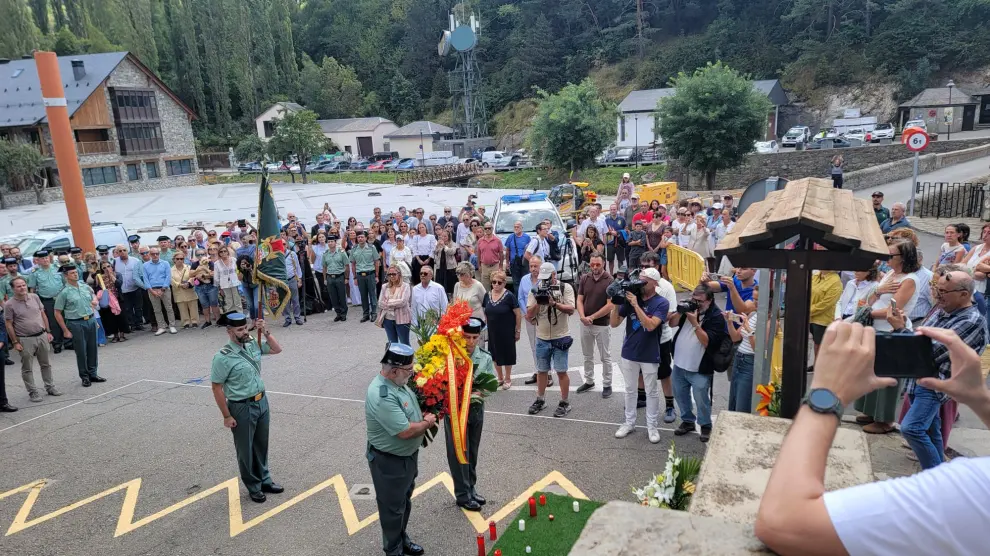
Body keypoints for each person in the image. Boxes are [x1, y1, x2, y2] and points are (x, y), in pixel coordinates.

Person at [755, 322, 990, 556]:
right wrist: (980, 398)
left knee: (914, 428)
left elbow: (785, 521)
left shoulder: (974, 489)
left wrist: (827, 392)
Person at [895, 269, 987, 469]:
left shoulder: (970, 321)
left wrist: (901, 329)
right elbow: (921, 337)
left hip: (936, 385)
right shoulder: (943, 309)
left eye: (944, 292)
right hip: (919, 378)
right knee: (931, 430)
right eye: (937, 289)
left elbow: (932, 352)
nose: (937, 295)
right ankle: (939, 472)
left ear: (964, 294)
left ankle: (936, 478)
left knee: (912, 429)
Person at [366, 343, 433, 556]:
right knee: (392, 510)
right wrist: (427, 423)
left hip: (405, 459)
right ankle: (393, 550)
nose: (411, 374)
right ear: (394, 370)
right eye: (408, 370)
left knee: (403, 503)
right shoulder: (382, 394)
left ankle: (401, 538)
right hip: (390, 462)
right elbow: (404, 432)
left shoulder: (397, 383)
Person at [210, 313, 284, 504]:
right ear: (229, 331)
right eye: (239, 330)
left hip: (261, 401)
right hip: (241, 406)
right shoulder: (222, 357)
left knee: (261, 444)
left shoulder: (252, 343)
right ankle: (253, 485)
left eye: (245, 328)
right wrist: (226, 415)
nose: (244, 332)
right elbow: (216, 387)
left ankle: (265, 480)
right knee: (246, 450)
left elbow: (277, 349)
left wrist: (265, 331)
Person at [855, 239, 921, 434]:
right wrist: (877, 292)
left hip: (891, 330)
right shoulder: (891, 274)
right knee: (872, 372)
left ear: (903, 258)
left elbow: (894, 309)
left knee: (887, 375)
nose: (887, 259)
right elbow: (868, 298)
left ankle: (885, 420)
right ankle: (871, 411)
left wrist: (867, 311)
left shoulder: (909, 280)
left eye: (891, 255)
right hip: (876, 329)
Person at [610, 267, 670, 443]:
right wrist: (616, 303)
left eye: (644, 280)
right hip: (629, 352)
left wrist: (636, 305)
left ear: (654, 283)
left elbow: (651, 325)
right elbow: (614, 324)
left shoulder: (661, 303)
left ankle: (652, 427)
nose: (640, 283)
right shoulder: (630, 298)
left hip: (650, 353)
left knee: (651, 391)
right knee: (630, 390)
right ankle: (629, 422)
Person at [444, 318, 495, 512]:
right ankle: (463, 495)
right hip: (456, 412)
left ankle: (471, 487)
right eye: (467, 337)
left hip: (475, 409)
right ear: (460, 335)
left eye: (475, 337)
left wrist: (479, 393)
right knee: (458, 453)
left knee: (472, 451)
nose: (471, 341)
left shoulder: (485, 357)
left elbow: (491, 384)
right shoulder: (452, 356)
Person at [670, 284, 727, 443]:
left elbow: (707, 342)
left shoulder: (716, 316)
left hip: (700, 368)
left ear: (710, 300)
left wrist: (695, 323)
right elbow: (672, 324)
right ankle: (687, 420)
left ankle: (705, 425)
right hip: (680, 364)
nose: (697, 304)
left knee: (701, 398)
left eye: (700, 301)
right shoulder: (689, 309)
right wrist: (679, 310)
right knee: (680, 395)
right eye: (694, 299)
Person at [526, 262, 576, 417]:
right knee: (542, 371)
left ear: (554, 275)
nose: (545, 281)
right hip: (542, 337)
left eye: (548, 278)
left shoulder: (564, 288)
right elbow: (529, 315)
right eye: (543, 278)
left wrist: (554, 303)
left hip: (560, 336)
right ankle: (540, 399)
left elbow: (571, 309)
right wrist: (538, 300)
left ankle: (565, 402)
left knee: (561, 371)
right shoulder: (535, 289)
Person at [5, 276, 61, 402]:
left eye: (23, 285)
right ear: (13, 289)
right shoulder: (9, 304)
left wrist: (48, 331)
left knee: (46, 364)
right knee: (27, 368)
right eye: (18, 286)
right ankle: (33, 392)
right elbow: (8, 324)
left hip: (41, 335)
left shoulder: (35, 297)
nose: (22, 288)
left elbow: (43, 314)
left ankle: (50, 387)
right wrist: (15, 342)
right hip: (24, 339)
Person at [54, 265, 104, 387]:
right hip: (76, 322)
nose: (75, 274)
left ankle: (93, 373)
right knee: (81, 351)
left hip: (90, 320)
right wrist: (65, 330)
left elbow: (91, 302)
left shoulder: (85, 287)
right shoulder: (64, 292)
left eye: (76, 272)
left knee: (93, 348)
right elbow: (57, 312)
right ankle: (84, 376)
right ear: (66, 276)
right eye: (72, 273)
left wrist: (94, 315)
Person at [576, 253, 614, 398]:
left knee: (605, 356)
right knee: (587, 355)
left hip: (602, 325)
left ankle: (607, 383)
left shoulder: (610, 280)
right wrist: (582, 317)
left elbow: (610, 305)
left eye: (598, 264)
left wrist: (592, 317)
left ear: (603, 264)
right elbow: (579, 300)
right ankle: (589, 380)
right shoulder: (585, 278)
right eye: (592, 264)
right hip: (585, 323)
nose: (595, 267)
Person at [484, 270, 520, 389]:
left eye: (499, 282)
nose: (496, 285)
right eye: (494, 282)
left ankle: (508, 377)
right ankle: (499, 377)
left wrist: (517, 330)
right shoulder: (487, 295)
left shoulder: (509, 296)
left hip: (507, 330)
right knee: (494, 353)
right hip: (492, 330)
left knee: (507, 353)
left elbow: (518, 314)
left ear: (504, 283)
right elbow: (486, 311)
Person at [726, 285, 759, 413]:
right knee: (733, 400)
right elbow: (735, 338)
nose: (753, 302)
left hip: (750, 361)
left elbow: (758, 348)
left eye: (757, 300)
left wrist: (749, 329)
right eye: (753, 298)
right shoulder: (752, 315)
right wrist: (729, 322)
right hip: (739, 358)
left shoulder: (770, 321)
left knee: (742, 404)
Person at [26, 250, 66, 353]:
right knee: (53, 322)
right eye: (42, 258)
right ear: (38, 260)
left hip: (62, 298)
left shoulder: (58, 268)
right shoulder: (35, 273)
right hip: (48, 300)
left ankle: (69, 341)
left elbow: (65, 282)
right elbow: (32, 289)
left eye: (46, 257)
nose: (45, 260)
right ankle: (57, 343)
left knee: (66, 319)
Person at [144, 247, 177, 336]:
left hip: (164, 289)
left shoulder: (165, 263)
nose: (155, 255)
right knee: (157, 310)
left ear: (159, 254)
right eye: (153, 254)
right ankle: (161, 327)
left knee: (169, 308)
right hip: (152, 290)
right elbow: (145, 279)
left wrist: (163, 289)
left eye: (157, 254)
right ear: (150, 255)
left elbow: (168, 276)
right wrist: (152, 291)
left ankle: (172, 325)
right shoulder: (145, 265)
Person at [810, 270, 842, 358]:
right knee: (815, 345)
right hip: (810, 318)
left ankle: (819, 369)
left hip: (822, 320)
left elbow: (826, 303)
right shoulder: (816, 276)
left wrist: (808, 311)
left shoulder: (835, 281)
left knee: (820, 346)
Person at [113, 246, 146, 332]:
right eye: (120, 251)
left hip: (135, 288)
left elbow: (140, 273)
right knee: (127, 308)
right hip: (123, 289)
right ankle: (132, 324)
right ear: (117, 252)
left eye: (124, 250)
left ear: (127, 251)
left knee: (138, 307)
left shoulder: (135, 261)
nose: (122, 252)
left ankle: (139, 323)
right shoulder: (114, 262)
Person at [350, 231, 380, 323]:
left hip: (370, 274)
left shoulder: (372, 247)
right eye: (358, 237)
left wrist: (377, 275)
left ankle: (374, 313)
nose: (360, 239)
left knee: (372, 294)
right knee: (363, 295)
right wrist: (354, 277)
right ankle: (365, 314)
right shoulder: (354, 249)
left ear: (366, 238)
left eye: (362, 237)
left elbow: (376, 262)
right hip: (360, 275)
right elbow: (353, 264)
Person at [377, 266, 412, 344]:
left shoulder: (405, 286)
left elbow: (403, 302)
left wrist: (388, 303)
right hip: (387, 319)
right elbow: (380, 303)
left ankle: (407, 357)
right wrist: (395, 303)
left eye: (394, 274)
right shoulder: (384, 286)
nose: (391, 276)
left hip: (402, 319)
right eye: (389, 274)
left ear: (399, 274)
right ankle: (395, 357)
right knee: (392, 344)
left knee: (404, 343)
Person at [94, 261, 127, 342]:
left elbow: (119, 284)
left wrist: (111, 275)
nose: (107, 269)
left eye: (108, 266)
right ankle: (115, 335)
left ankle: (122, 334)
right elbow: (97, 289)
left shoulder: (117, 274)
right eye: (104, 268)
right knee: (111, 318)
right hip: (107, 300)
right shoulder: (99, 277)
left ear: (112, 266)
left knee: (121, 317)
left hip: (118, 298)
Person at [965, 222, 990, 327]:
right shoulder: (977, 248)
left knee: (982, 321)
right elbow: (962, 264)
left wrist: (979, 269)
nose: (985, 235)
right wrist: (974, 271)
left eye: (989, 233)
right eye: (984, 232)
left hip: (982, 292)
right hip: (968, 287)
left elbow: (982, 274)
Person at [322, 236, 350, 322]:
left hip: (340, 276)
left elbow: (347, 266)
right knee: (333, 297)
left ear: (335, 242)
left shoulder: (341, 253)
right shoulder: (325, 254)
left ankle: (343, 313)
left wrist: (346, 277)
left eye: (332, 241)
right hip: (330, 277)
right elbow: (324, 267)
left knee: (341, 296)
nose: (330, 243)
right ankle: (338, 313)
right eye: (329, 242)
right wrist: (325, 279)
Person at [191, 255, 220, 327]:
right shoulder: (195, 264)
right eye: (199, 255)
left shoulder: (210, 263)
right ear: (197, 256)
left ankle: (218, 321)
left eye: (202, 254)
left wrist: (203, 275)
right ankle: (208, 321)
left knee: (214, 303)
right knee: (204, 305)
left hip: (211, 286)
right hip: (199, 287)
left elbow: (213, 274)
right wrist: (198, 269)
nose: (200, 256)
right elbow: (190, 274)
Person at [475, 222, 503, 291]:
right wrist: (479, 265)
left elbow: (501, 254)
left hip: (495, 266)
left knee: (496, 286)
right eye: (485, 228)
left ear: (492, 229)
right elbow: (478, 254)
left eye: (489, 228)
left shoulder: (498, 240)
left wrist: (501, 266)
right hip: (484, 266)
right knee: (485, 287)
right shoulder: (480, 241)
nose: (487, 229)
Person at [282, 246, 303, 327]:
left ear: (286, 245)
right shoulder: (277, 254)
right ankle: (287, 319)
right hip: (283, 281)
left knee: (295, 299)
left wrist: (299, 279)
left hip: (292, 279)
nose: (282, 245)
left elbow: (297, 266)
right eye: (281, 243)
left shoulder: (292, 254)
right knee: (285, 301)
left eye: (284, 243)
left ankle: (297, 318)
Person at [434, 229, 459, 296]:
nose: (443, 238)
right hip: (440, 267)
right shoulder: (438, 244)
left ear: (449, 237)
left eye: (445, 236)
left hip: (450, 268)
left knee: (450, 286)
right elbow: (435, 253)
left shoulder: (453, 244)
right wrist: (437, 247)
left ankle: (450, 298)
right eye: (442, 236)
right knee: (440, 285)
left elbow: (452, 252)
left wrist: (444, 246)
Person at [604, 204, 627, 275]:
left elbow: (625, 230)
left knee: (620, 260)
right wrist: (610, 232)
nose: (613, 211)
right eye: (611, 209)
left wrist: (617, 233)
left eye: (614, 209)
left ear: (617, 210)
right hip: (610, 243)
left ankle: (620, 276)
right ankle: (611, 275)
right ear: (609, 210)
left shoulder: (622, 219)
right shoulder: (606, 220)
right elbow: (604, 231)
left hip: (620, 243)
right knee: (610, 260)